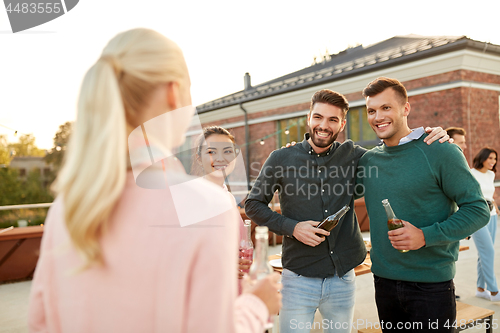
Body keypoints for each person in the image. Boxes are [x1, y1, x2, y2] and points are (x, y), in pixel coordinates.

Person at [27, 28, 281, 333]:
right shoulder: (206, 207)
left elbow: (40, 323)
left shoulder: (66, 208)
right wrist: (256, 306)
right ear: (174, 92)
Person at [245, 88, 449, 333]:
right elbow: (253, 204)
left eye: (333, 120)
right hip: (297, 279)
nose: (324, 125)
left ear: (342, 124)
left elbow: (394, 154)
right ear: (309, 118)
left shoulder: (355, 156)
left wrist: (432, 136)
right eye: (318, 117)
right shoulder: (280, 158)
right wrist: (293, 227)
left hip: (342, 278)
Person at [357, 77, 490, 332]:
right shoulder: (368, 161)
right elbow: (326, 187)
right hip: (383, 282)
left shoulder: (440, 150)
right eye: (371, 110)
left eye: (386, 108)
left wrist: (424, 236)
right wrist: (297, 151)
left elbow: (478, 209)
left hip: (430, 288)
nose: (377, 117)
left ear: (406, 109)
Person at [192, 125, 251, 282]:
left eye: (227, 151)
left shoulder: (228, 197)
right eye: (211, 152)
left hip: (234, 285)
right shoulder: (193, 198)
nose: (221, 158)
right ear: (199, 158)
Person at [470, 147, 500, 302]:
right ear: (482, 158)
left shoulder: (491, 174)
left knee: (485, 253)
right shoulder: (471, 173)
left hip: (492, 216)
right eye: (490, 158)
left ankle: (480, 289)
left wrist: (494, 204)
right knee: (488, 251)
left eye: (495, 159)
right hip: (477, 217)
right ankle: (494, 291)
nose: (493, 162)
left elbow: (488, 193)